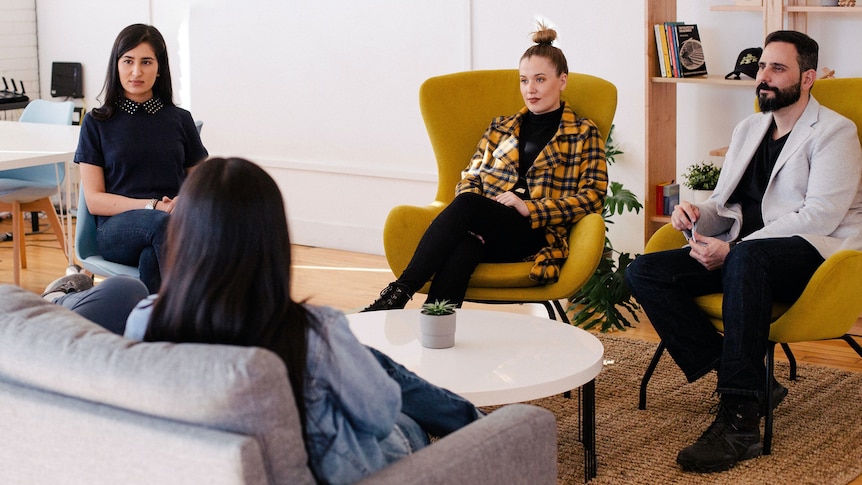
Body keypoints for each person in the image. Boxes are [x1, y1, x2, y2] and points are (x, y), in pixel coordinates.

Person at [110, 157, 480, 484]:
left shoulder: (145, 320)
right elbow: (381, 416)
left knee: (365, 360)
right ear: (272, 241)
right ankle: (483, 428)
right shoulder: (312, 333)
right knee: (400, 412)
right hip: (349, 471)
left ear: (183, 237)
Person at [625, 30, 862, 474]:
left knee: (748, 261)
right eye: (761, 67)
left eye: (777, 68)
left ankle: (740, 422)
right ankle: (751, 380)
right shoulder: (749, 127)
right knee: (645, 272)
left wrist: (732, 250)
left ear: (807, 77)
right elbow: (728, 202)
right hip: (745, 257)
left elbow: (820, 216)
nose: (763, 77)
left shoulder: (834, 132)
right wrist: (696, 214)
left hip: (812, 256)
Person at [362, 23, 607, 311]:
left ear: (562, 81)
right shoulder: (500, 127)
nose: (531, 89)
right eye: (524, 80)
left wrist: (531, 207)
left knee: (467, 206)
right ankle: (435, 326)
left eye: (540, 79)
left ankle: (398, 293)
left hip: (535, 234)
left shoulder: (583, 132)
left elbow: (593, 197)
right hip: (486, 226)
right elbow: (471, 176)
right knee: (465, 246)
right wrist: (486, 208)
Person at [74, 24, 208, 293]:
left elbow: (204, 183)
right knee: (163, 225)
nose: (136, 71)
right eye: (128, 61)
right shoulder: (96, 122)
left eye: (146, 62)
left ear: (159, 68)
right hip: (116, 231)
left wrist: (186, 199)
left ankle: (153, 328)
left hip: (169, 226)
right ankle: (202, 314)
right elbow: (95, 200)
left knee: (152, 257)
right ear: (117, 66)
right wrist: (153, 206)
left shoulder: (180, 120)